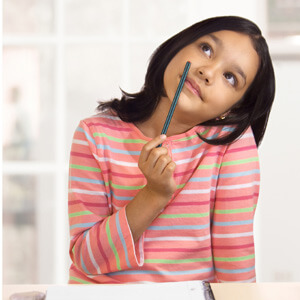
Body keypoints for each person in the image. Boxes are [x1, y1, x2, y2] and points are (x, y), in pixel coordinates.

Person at [68, 16, 275, 284]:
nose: (207, 71)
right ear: (178, 46)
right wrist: (153, 195)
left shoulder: (231, 145)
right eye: (206, 49)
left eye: (230, 77)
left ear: (231, 110)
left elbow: (234, 270)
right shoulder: (94, 134)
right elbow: (86, 259)